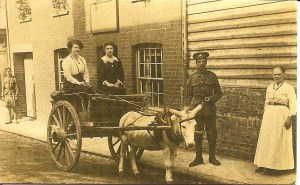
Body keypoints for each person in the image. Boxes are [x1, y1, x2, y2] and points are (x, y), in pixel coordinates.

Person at [254, 66, 296, 173]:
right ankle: (263, 164)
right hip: (269, 115)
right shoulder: (269, 87)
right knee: (266, 139)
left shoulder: (288, 88)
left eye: (279, 74)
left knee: (277, 140)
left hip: (281, 115)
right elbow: (266, 102)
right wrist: (266, 113)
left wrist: (289, 117)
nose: (276, 76)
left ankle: (276, 167)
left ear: (284, 75)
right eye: (275, 74)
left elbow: (293, 104)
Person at [188, 52, 222, 167]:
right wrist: (191, 107)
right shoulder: (192, 78)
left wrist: (212, 98)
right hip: (197, 110)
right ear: (196, 63)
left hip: (209, 109)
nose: (201, 64)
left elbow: (219, 93)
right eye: (199, 62)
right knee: (198, 134)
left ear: (206, 62)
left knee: (212, 133)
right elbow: (188, 95)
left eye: (203, 62)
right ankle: (198, 158)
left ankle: (212, 157)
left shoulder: (212, 76)